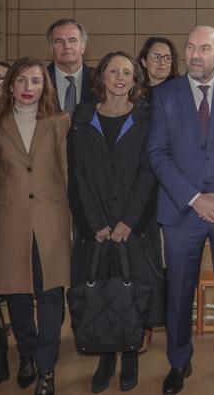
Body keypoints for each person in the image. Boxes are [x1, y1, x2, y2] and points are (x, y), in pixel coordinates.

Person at [148, 26, 214, 394]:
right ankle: (178, 362)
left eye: (205, 48)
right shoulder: (163, 95)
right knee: (178, 292)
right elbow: (157, 155)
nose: (196, 54)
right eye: (191, 47)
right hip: (182, 212)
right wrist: (196, 198)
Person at [68, 51, 162, 392]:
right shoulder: (81, 117)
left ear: (135, 80)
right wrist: (94, 222)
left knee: (132, 290)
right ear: (101, 78)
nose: (120, 77)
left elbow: (149, 175)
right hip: (96, 227)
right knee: (101, 291)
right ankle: (105, 357)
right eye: (113, 71)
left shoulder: (147, 119)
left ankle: (132, 354)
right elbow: (76, 175)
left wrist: (128, 222)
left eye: (127, 72)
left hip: (133, 226)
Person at [0, 58, 71, 395]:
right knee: (17, 293)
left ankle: (47, 368)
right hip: (8, 221)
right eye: (21, 81)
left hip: (52, 219)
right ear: (10, 85)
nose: (28, 88)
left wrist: (73, 224)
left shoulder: (60, 121)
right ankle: (28, 354)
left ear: (45, 86)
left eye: (35, 81)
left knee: (50, 294)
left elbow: (67, 174)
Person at [47, 19, 94, 114]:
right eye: (59, 41)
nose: (66, 46)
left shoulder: (98, 80)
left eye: (73, 40)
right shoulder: (40, 80)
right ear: (51, 49)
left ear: (83, 47)